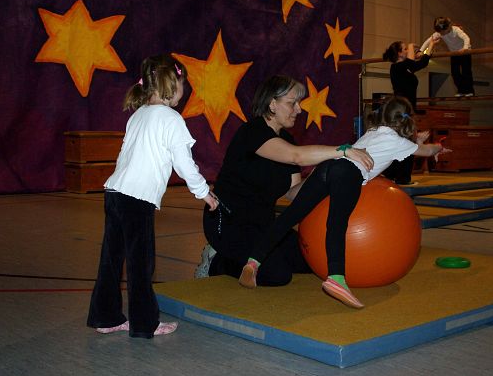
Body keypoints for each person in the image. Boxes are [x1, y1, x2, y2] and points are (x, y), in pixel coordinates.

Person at [238, 96, 450, 309]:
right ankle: (336, 278)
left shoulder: (373, 132)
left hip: (328, 166)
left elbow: (402, 148)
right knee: (337, 223)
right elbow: (428, 151)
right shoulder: (400, 143)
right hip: (348, 174)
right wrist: (438, 147)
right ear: (406, 121)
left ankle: (254, 261)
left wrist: (416, 143)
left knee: (290, 215)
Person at [87, 54, 218, 338]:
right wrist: (204, 192)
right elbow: (184, 165)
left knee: (111, 258)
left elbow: (124, 155)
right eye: (184, 84)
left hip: (114, 192)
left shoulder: (138, 115)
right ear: (173, 83)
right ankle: (145, 323)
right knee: (140, 264)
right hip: (137, 199)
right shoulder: (171, 119)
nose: (185, 90)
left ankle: (105, 317)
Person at [199, 75, 374, 287]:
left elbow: (292, 192)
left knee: (309, 260)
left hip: (262, 224)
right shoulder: (253, 131)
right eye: (292, 103)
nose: (299, 109)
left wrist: (323, 178)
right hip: (229, 223)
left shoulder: (287, 140)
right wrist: (343, 151)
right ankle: (216, 261)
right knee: (276, 275)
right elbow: (296, 156)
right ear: (272, 104)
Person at [381, 39, 435, 185]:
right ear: (399, 53)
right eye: (404, 49)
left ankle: (392, 173)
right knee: (408, 143)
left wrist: (431, 45)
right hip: (401, 110)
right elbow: (412, 62)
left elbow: (422, 63)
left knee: (403, 142)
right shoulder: (397, 67)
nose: (407, 50)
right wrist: (412, 46)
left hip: (406, 108)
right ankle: (402, 178)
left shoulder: (405, 67)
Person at [420, 16, 474, 97]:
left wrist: (465, 48)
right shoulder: (439, 33)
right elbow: (428, 41)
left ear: (448, 27)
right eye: (440, 32)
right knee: (455, 73)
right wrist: (421, 51)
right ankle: (461, 90)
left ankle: (469, 90)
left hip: (465, 52)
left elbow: (466, 38)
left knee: (466, 72)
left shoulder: (456, 30)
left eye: (443, 32)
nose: (441, 34)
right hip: (454, 53)